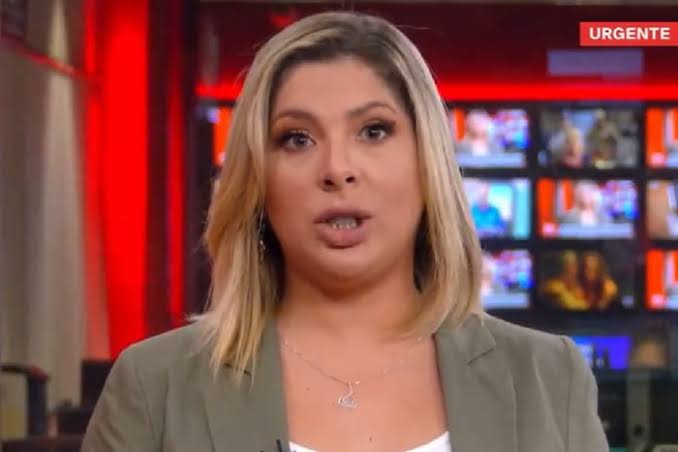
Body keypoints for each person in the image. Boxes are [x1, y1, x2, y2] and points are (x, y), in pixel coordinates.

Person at [82, 11, 608, 452]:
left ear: (427, 162)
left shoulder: (548, 378)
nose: (337, 168)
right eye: (297, 139)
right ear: (258, 182)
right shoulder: (155, 387)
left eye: (373, 131)